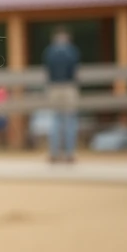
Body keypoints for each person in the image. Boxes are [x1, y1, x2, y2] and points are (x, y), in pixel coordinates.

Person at [43, 26, 81, 162]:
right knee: (69, 120)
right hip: (69, 87)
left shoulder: (50, 52)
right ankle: (70, 153)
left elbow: (47, 72)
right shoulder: (72, 51)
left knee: (56, 120)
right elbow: (75, 72)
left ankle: (54, 152)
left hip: (54, 87)